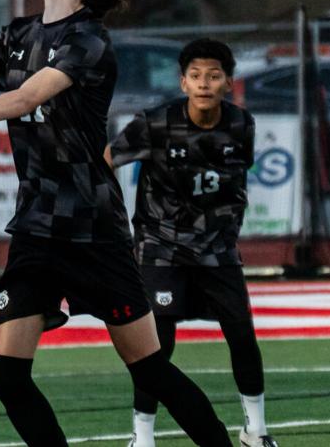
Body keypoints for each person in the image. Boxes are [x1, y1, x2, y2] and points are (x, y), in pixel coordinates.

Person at [0, 0, 232, 447]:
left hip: (92, 229)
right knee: (7, 377)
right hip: (36, 227)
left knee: (150, 370)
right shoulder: (15, 32)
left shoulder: (88, 40)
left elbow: (23, 97)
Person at [107, 38, 277, 447]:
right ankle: (142, 436)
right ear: (183, 82)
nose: (204, 83)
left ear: (228, 83)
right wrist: (112, 220)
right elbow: (106, 160)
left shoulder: (241, 125)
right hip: (161, 248)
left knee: (241, 334)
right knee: (156, 345)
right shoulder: (155, 122)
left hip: (218, 250)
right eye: (196, 76)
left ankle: (256, 430)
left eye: (214, 76)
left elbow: (236, 180)